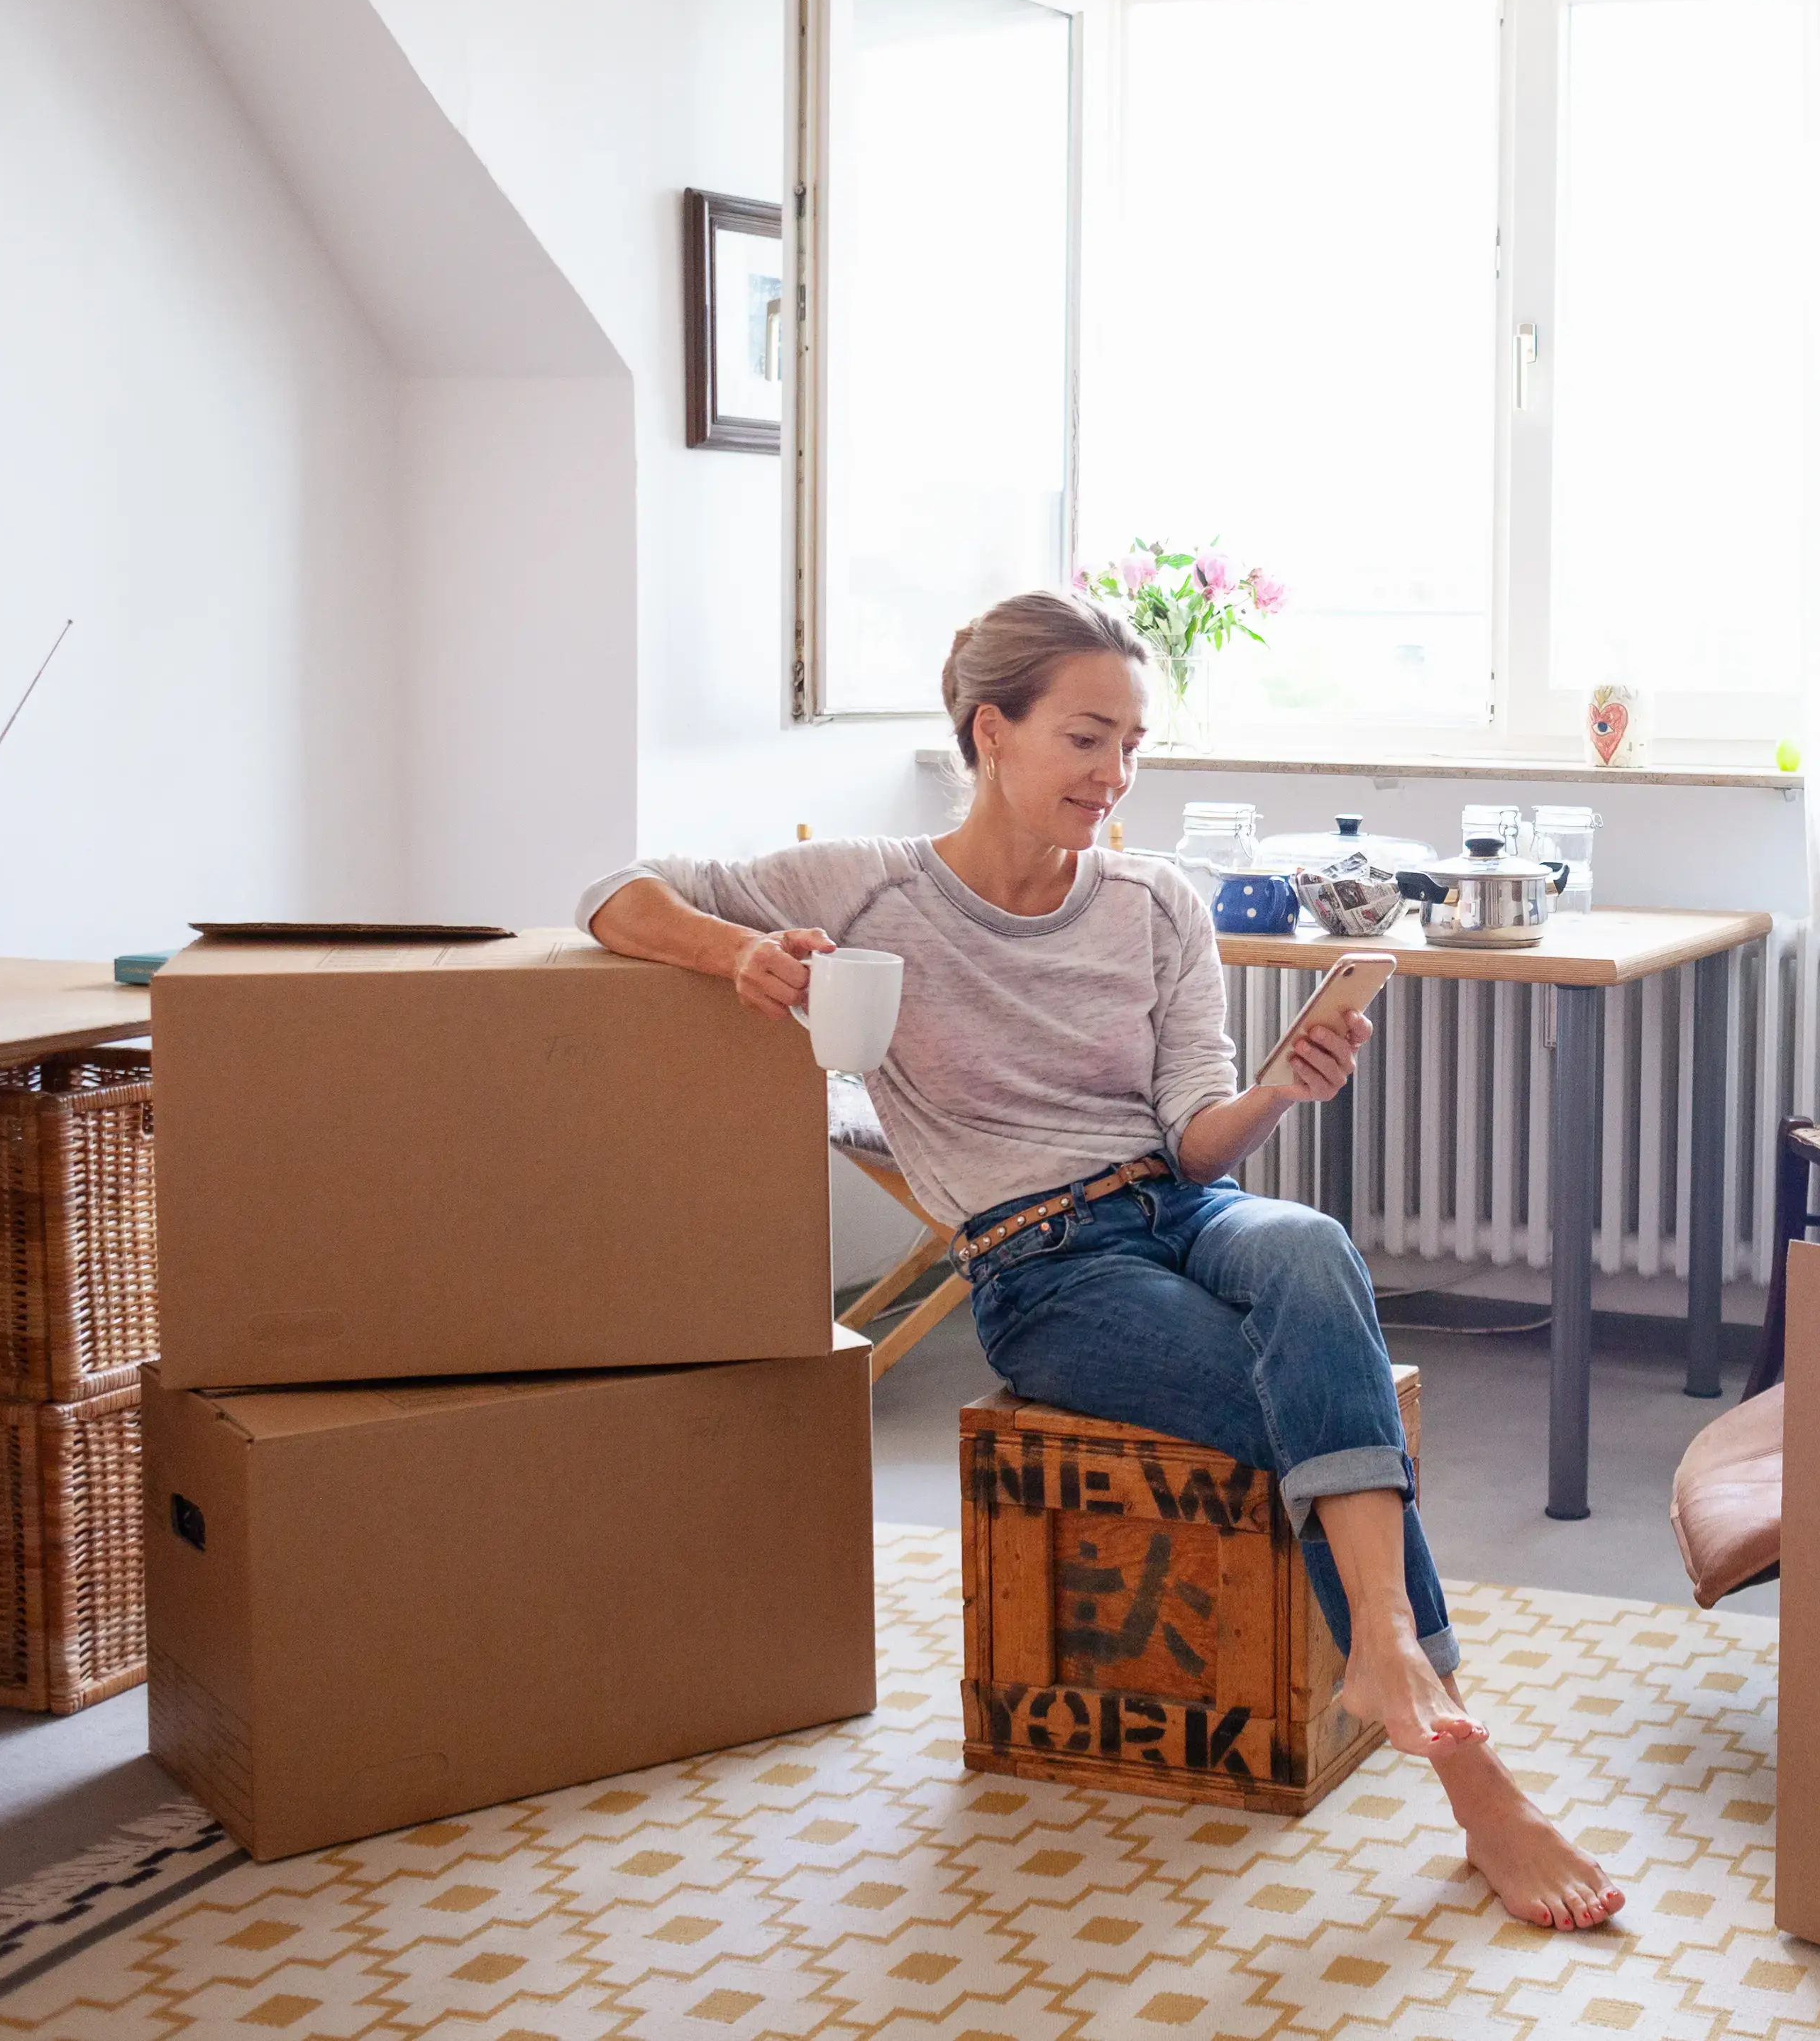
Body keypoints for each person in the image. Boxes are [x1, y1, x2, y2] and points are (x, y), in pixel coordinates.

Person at [578, 587, 1623, 1932]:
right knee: (1314, 1398)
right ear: (990, 731)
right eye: (1086, 739)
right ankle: (1482, 1788)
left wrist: (1282, 1093)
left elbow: (1196, 1142)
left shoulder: (1156, 901)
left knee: (1307, 1246)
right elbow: (614, 895)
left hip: (1183, 1211)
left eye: (1133, 744)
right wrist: (744, 956)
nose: (1114, 776)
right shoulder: (869, 886)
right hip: (1041, 1270)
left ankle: (1387, 1653)